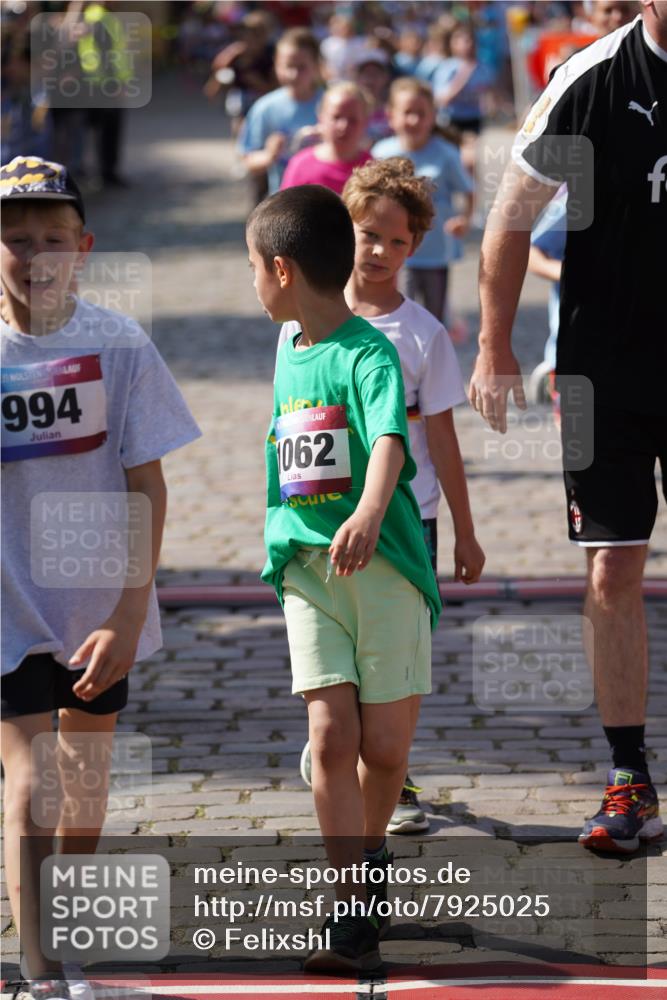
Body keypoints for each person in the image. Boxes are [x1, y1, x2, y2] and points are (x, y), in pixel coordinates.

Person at [0, 156, 201, 997]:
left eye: (52, 238)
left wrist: (127, 612)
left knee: (82, 783)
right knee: (32, 781)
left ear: (83, 248)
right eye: (15, 240)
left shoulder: (118, 344)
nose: (34, 255)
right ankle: (39, 967)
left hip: (98, 609)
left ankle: (63, 928)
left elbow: (147, 483)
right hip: (7, 609)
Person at [469, 0, 666, 855]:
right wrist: (492, 346)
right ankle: (628, 779)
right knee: (611, 570)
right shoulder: (591, 79)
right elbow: (510, 216)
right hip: (600, 375)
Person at [248, 184, 441, 972]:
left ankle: (372, 849)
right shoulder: (285, 349)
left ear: (281, 270)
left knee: (385, 750)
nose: (252, 283)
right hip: (308, 572)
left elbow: (389, 438)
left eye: (253, 268)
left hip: (386, 569)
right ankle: (350, 904)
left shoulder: (369, 352)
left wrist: (367, 511)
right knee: (331, 737)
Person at [290, 158, 485, 836]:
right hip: (322, 529)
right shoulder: (298, 322)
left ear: (415, 247)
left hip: (407, 525)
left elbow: (444, 442)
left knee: (397, 670)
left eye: (396, 241)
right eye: (367, 234)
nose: (378, 250)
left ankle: (392, 776)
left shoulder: (422, 334)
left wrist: (465, 531)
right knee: (334, 663)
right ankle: (333, 744)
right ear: (344, 229)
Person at [372, 77, 474, 326]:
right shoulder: (381, 153)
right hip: (394, 253)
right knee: (397, 317)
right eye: (407, 112)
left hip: (435, 251)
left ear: (433, 116)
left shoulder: (446, 154)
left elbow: (469, 191)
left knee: (433, 319)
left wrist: (464, 219)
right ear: (391, 116)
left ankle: (436, 349)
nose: (414, 120)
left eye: (421, 113)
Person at [238, 27, 322, 196]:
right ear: (276, 65)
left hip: (326, 198)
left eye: (302, 67)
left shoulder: (332, 105)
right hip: (284, 200)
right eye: (288, 66)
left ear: (316, 66)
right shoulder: (265, 108)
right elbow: (247, 159)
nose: (293, 74)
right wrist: (269, 155)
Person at [280, 83, 372, 195]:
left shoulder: (371, 169)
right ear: (321, 118)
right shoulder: (301, 165)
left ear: (365, 122)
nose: (343, 126)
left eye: (353, 120)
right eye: (336, 117)